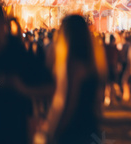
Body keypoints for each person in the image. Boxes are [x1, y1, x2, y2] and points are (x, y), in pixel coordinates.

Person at [45, 15, 107, 144]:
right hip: (90, 127)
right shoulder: (94, 62)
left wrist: (53, 131)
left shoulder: (72, 64)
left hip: (73, 130)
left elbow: (65, 101)